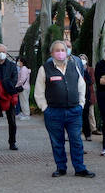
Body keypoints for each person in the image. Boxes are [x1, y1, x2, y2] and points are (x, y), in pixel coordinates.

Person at [32, 40, 94, 178]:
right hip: (54, 112)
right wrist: (45, 108)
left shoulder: (73, 65)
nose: (60, 53)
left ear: (66, 52)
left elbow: (81, 85)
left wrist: (81, 104)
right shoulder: (45, 69)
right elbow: (39, 92)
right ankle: (61, 168)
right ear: (52, 53)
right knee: (57, 142)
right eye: (57, 50)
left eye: (62, 50)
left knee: (76, 141)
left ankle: (80, 168)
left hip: (74, 111)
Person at [0, 43, 21, 152]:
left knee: (12, 121)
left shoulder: (12, 65)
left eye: (3, 52)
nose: (1, 54)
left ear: (6, 53)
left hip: (9, 96)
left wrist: (3, 86)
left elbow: (14, 79)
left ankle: (12, 142)